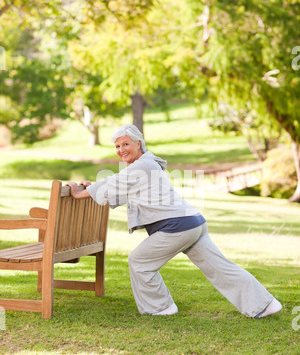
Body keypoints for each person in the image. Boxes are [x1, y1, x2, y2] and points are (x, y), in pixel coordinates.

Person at [66, 124, 282, 318]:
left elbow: (114, 183)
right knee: (220, 267)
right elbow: (119, 192)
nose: (121, 149)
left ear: (138, 143)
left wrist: (78, 194)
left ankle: (160, 308)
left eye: (125, 144)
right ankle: (265, 305)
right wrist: (90, 189)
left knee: (139, 261)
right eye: (117, 146)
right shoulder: (142, 165)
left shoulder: (143, 165)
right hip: (193, 224)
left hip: (178, 227)